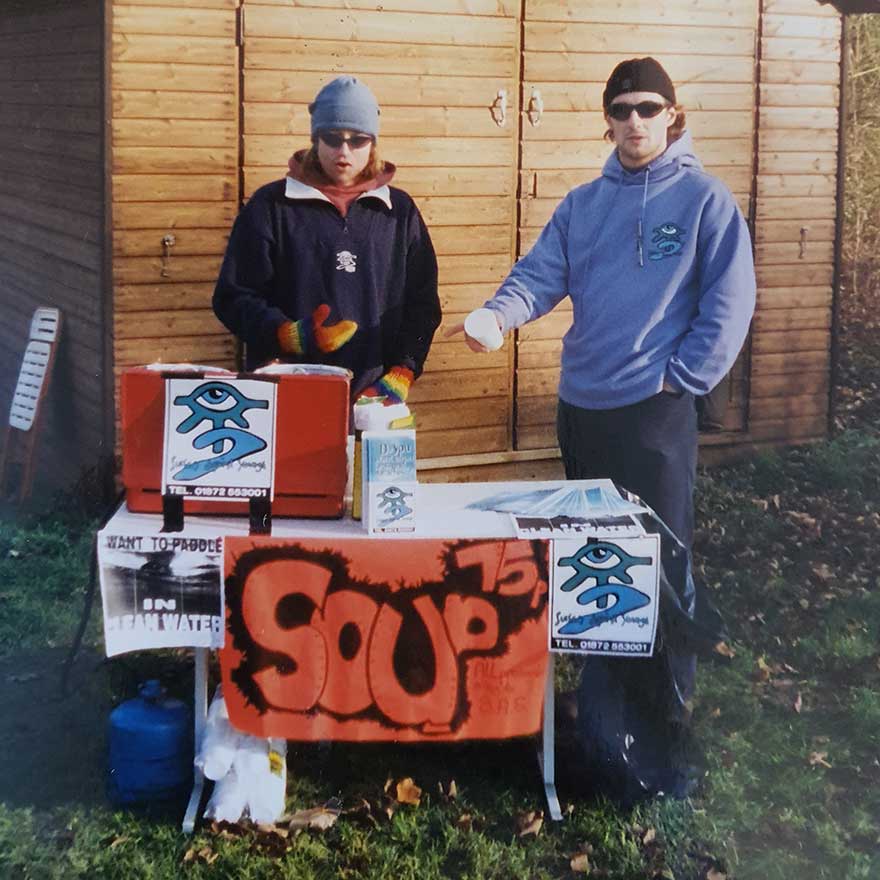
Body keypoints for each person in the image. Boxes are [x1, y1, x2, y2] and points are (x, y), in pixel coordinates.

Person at [452, 57, 756, 802]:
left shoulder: (705, 201)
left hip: (652, 416)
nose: (634, 122)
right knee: (596, 568)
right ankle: (601, 730)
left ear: (672, 116)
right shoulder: (584, 205)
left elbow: (731, 301)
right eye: (620, 109)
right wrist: (497, 314)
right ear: (607, 118)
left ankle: (663, 732)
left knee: (662, 570)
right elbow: (539, 274)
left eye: (648, 108)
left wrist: (679, 381)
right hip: (581, 411)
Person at [213, 76, 441, 405]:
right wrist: (287, 334)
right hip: (287, 393)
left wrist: (403, 371)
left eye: (357, 140)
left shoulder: (398, 212)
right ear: (316, 139)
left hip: (376, 397)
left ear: (373, 143)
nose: (344, 151)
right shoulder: (272, 206)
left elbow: (423, 305)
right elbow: (232, 297)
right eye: (333, 138)